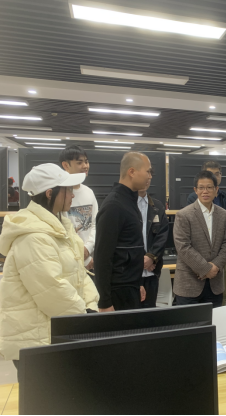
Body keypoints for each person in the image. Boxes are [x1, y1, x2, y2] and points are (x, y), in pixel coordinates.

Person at [0, 164, 99, 375]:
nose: (73, 195)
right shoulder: (33, 236)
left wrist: (91, 306)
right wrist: (84, 315)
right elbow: (52, 289)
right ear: (49, 193)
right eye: (68, 190)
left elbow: (79, 272)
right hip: (37, 341)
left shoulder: (61, 226)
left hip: (56, 333)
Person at [94, 152, 152, 312]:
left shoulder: (129, 202)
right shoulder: (114, 205)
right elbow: (102, 257)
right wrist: (104, 302)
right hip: (117, 292)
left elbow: (132, 246)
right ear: (132, 172)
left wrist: (138, 283)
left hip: (130, 287)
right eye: (147, 171)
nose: (150, 176)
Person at [173, 171, 226, 307]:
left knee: (213, 320)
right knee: (189, 321)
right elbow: (183, 247)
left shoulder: (224, 215)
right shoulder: (184, 215)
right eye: (201, 187)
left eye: (209, 187)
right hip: (189, 284)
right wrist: (206, 269)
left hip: (215, 283)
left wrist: (215, 266)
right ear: (195, 190)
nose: (205, 191)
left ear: (216, 190)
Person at [187, 160, 226, 306]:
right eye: (211, 173)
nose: (214, 177)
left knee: (223, 296)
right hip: (200, 259)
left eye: (217, 174)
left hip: (223, 257)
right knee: (198, 300)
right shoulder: (194, 198)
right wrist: (205, 266)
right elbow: (194, 230)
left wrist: (219, 257)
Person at [59, 146, 98, 270]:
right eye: (79, 162)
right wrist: (84, 258)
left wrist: (88, 249)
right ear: (66, 165)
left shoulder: (89, 192)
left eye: (86, 161)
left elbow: (95, 224)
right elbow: (61, 230)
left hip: (91, 260)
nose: (85, 166)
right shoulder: (60, 194)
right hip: (69, 260)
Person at [138, 170, 169, 308]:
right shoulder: (124, 206)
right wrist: (142, 261)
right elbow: (125, 238)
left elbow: (163, 235)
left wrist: (151, 257)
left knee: (150, 312)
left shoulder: (157, 206)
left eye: (150, 174)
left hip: (152, 271)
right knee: (131, 314)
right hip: (131, 273)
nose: (148, 178)